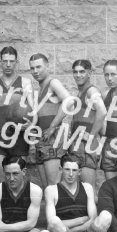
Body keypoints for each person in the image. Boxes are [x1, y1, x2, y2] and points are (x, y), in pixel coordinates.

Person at [44, 155, 117, 232]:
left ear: (79, 172)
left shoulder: (87, 187)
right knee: (54, 221)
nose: (71, 174)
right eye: (67, 169)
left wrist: (67, 229)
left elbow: (92, 219)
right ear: (61, 169)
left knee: (106, 216)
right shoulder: (51, 190)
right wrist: (80, 221)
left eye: (74, 170)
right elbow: (51, 224)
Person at [0, 46, 37, 182]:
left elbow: (33, 111)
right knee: (1, 180)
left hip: (19, 136)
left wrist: (31, 126)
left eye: (11, 61)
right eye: (5, 61)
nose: (8, 64)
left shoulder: (25, 83)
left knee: (19, 180)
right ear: (0, 61)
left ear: (16, 62)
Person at [29, 53, 73, 189]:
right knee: (47, 188)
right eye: (32, 68)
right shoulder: (40, 89)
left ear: (47, 66)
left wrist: (53, 126)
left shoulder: (52, 83)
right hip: (42, 139)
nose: (35, 71)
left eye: (38, 67)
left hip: (53, 138)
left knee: (54, 186)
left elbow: (70, 100)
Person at [69, 59, 106, 188]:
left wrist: (91, 136)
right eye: (75, 72)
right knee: (80, 191)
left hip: (86, 147)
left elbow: (102, 112)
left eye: (82, 71)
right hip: (77, 146)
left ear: (89, 73)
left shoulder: (91, 91)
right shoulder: (81, 92)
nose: (78, 75)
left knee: (88, 191)